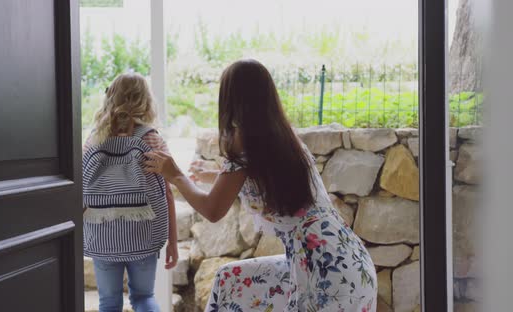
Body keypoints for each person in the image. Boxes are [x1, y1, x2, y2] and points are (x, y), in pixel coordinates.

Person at [145, 59, 377, 311]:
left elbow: (213, 210)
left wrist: (175, 174)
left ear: (231, 100)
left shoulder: (246, 142)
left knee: (231, 282)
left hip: (325, 273)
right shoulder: (279, 137)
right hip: (346, 261)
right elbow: (256, 179)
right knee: (230, 280)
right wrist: (212, 175)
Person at [83, 73, 178, 312]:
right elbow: (167, 192)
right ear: (146, 100)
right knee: (144, 297)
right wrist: (173, 242)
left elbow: (82, 188)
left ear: (110, 97)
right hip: (144, 234)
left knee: (108, 302)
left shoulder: (94, 139)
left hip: (102, 235)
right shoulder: (151, 138)